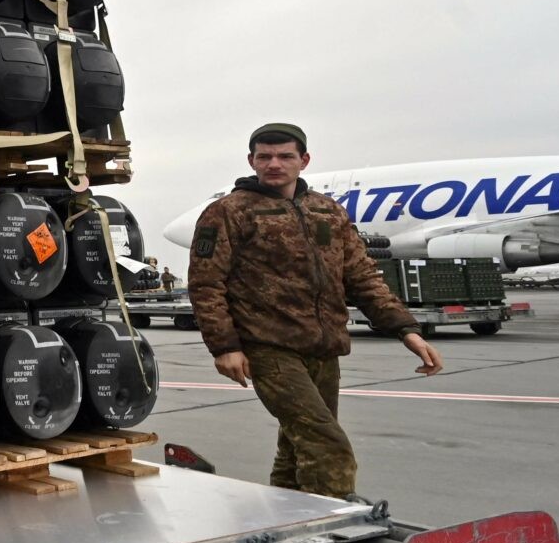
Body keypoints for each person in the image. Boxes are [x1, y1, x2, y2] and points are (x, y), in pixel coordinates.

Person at [187, 122, 442, 498]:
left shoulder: (328, 211)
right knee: (325, 442)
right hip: (269, 348)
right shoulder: (227, 212)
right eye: (265, 156)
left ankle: (285, 510)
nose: (275, 163)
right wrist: (225, 347)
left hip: (323, 348)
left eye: (285, 156)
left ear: (303, 160)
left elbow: (361, 275)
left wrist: (407, 329)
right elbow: (206, 284)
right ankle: (338, 519)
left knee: (298, 443)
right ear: (251, 160)